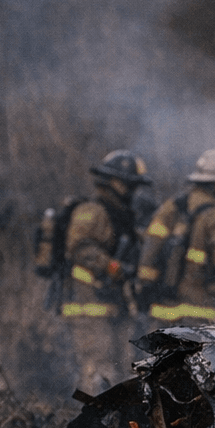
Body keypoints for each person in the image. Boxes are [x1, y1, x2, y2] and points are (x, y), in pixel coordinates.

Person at [63, 150, 152, 394]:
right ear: (114, 181)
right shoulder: (92, 210)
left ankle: (116, 426)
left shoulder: (120, 214)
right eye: (129, 184)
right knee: (97, 368)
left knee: (122, 366)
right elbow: (78, 247)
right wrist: (111, 266)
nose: (133, 191)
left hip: (112, 304)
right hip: (88, 305)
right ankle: (89, 426)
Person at [137, 149, 215, 325]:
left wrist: (147, 287)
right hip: (200, 315)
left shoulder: (171, 207)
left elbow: (149, 251)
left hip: (162, 313)